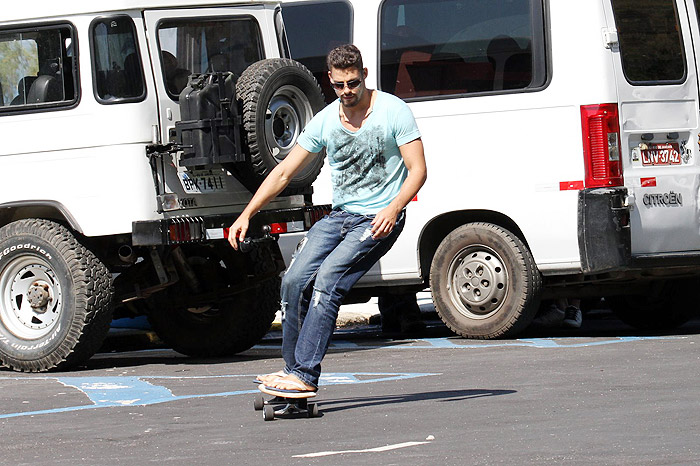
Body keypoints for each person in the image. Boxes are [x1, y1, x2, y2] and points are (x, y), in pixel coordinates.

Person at [228, 44, 427, 394]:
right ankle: (292, 372)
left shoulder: (394, 112)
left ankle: (304, 374)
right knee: (292, 281)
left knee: (327, 283)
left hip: (378, 219)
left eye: (353, 83)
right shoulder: (325, 120)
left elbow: (418, 170)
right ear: (330, 82)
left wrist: (393, 208)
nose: (347, 92)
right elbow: (284, 173)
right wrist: (247, 214)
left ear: (364, 76)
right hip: (341, 217)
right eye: (339, 86)